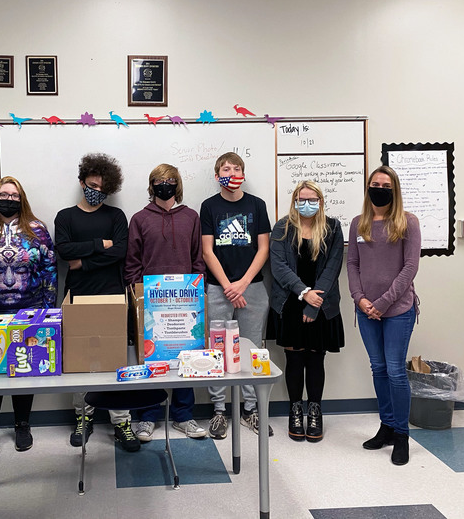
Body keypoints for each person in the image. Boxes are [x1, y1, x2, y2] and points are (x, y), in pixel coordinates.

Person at [54, 153, 140, 452]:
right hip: (76, 296)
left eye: (103, 189)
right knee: (78, 359)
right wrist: (97, 245)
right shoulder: (65, 216)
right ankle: (83, 417)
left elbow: (119, 252)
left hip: (113, 294)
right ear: (82, 182)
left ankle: (121, 421)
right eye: (92, 185)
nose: (96, 192)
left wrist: (84, 262)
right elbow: (64, 250)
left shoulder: (116, 217)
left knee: (117, 358)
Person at [0, 176, 57, 454]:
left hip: (29, 310)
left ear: (21, 199)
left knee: (25, 368)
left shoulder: (37, 230)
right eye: (3, 194)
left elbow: (49, 269)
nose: (8, 199)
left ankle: (23, 424)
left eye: (14, 195)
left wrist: (47, 310)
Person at [125, 163, 208, 441]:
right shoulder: (139, 218)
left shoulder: (191, 217)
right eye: (159, 180)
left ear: (178, 184)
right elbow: (132, 261)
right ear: (151, 186)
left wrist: (199, 291)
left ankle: (184, 416)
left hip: (186, 300)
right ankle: (147, 417)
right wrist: (138, 296)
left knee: (185, 356)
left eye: (170, 179)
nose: (165, 184)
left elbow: (198, 257)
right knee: (152, 356)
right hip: (151, 301)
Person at [347, 165, 421, 466]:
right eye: (374, 184)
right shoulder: (358, 223)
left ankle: (402, 435)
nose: (379, 188)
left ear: (395, 189)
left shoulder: (408, 222)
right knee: (378, 368)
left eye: (385, 185)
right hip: (365, 310)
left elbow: (410, 267)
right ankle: (387, 427)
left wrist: (383, 302)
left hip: (398, 310)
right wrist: (360, 299)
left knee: (395, 371)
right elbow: (351, 264)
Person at [200, 152, 273, 439]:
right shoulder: (209, 207)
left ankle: (250, 410)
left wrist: (241, 284)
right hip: (219, 289)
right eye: (226, 168)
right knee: (217, 350)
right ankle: (219, 411)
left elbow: (263, 248)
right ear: (217, 174)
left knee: (252, 350)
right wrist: (229, 286)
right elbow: (207, 250)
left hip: (252, 288)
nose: (232, 171)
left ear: (244, 172)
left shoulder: (257, 205)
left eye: (237, 167)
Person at [270, 180, 344, 443]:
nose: (307, 203)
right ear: (294, 201)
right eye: (302, 199)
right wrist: (303, 293)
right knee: (294, 359)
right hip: (290, 302)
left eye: (312, 199)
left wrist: (314, 302)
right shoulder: (282, 227)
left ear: (321, 201)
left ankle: (315, 410)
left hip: (322, 304)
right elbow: (278, 266)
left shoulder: (333, 228)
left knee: (315, 358)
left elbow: (333, 267)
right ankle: (295, 410)